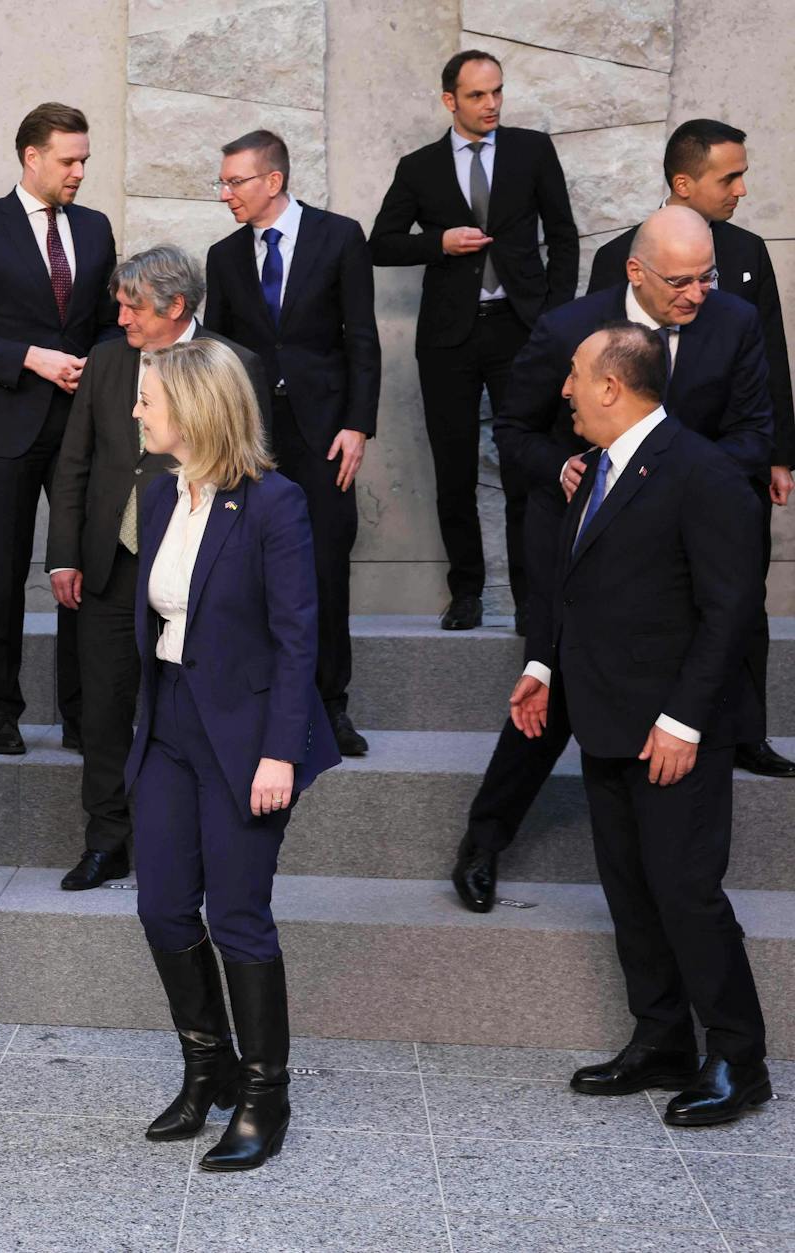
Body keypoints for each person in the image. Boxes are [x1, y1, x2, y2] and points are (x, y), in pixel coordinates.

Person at [453, 206, 775, 911]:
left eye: (708, 277)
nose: (698, 294)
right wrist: (560, 466)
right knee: (551, 696)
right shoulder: (568, 329)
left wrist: (674, 487)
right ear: (636, 272)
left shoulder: (734, 323)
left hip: (682, 554)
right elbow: (514, 428)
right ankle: (484, 838)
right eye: (682, 282)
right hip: (579, 545)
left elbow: (754, 433)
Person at [512, 324, 771, 1126]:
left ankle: (739, 1057)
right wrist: (542, 666)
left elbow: (730, 611)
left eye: (575, 375)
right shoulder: (595, 467)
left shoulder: (704, 472)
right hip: (604, 717)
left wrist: (684, 720)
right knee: (630, 890)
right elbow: (572, 583)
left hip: (674, 731)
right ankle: (661, 1038)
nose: (564, 389)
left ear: (611, 387)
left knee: (686, 893)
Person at [125, 338, 340, 1172]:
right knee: (161, 905)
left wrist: (281, 752)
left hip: (248, 737)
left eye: (148, 400)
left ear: (194, 410)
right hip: (170, 722)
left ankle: (263, 1093)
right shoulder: (157, 493)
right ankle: (206, 1064)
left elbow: (298, 639)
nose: (137, 411)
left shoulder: (274, 503)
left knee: (238, 914)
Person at [46, 245, 272, 891]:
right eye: (119, 304)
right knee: (104, 708)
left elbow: (253, 471)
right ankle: (106, 841)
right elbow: (75, 461)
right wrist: (64, 553)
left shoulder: (234, 364)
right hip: (110, 564)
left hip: (197, 572)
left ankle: (186, 840)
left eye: (134, 307)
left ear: (176, 306)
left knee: (185, 708)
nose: (122, 317)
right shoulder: (108, 360)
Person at [587, 119, 794, 779]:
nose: (741, 189)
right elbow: (597, 368)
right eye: (729, 177)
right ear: (684, 183)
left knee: (740, 599)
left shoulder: (747, 252)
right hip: (640, 476)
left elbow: (772, 356)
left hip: (732, 464)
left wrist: (779, 454)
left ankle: (746, 733)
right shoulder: (618, 257)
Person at [370, 49, 578, 631]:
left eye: (497, 92)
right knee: (454, 471)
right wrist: (438, 243)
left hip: (521, 329)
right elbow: (380, 243)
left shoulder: (532, 151)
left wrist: (553, 320)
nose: (492, 104)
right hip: (448, 338)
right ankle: (466, 593)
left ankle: (531, 598)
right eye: (477, 95)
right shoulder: (419, 167)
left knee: (525, 466)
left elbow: (564, 237)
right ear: (450, 101)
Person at [0, 101, 116, 757]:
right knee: (5, 573)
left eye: (84, 160)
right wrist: (31, 358)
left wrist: (95, 364)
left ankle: (80, 714)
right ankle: (2, 711)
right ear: (31, 157)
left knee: (81, 569)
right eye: (69, 161)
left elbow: (109, 324)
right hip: (7, 427)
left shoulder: (95, 228)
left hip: (83, 428)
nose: (79, 172)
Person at [203, 129, 380, 757]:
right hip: (253, 439)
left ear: (273, 180)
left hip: (325, 434)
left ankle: (330, 707)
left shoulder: (340, 237)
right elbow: (218, 354)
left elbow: (362, 338)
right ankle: (261, 704)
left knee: (325, 569)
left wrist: (357, 425)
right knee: (248, 569)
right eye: (223, 182)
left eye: (235, 181)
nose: (225, 193)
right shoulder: (224, 256)